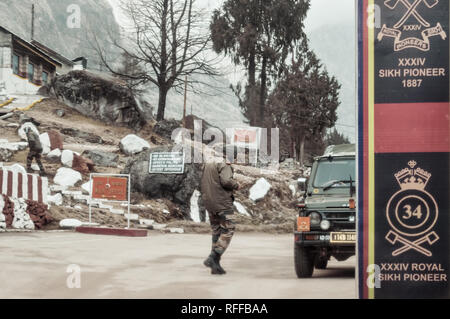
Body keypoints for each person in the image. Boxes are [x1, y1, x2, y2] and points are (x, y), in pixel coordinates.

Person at [201, 149, 240, 275]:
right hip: (222, 203)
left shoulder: (209, 162)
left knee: (216, 231)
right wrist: (236, 185)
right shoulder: (224, 164)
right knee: (228, 230)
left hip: (209, 202)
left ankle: (215, 266)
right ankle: (213, 257)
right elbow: (226, 181)